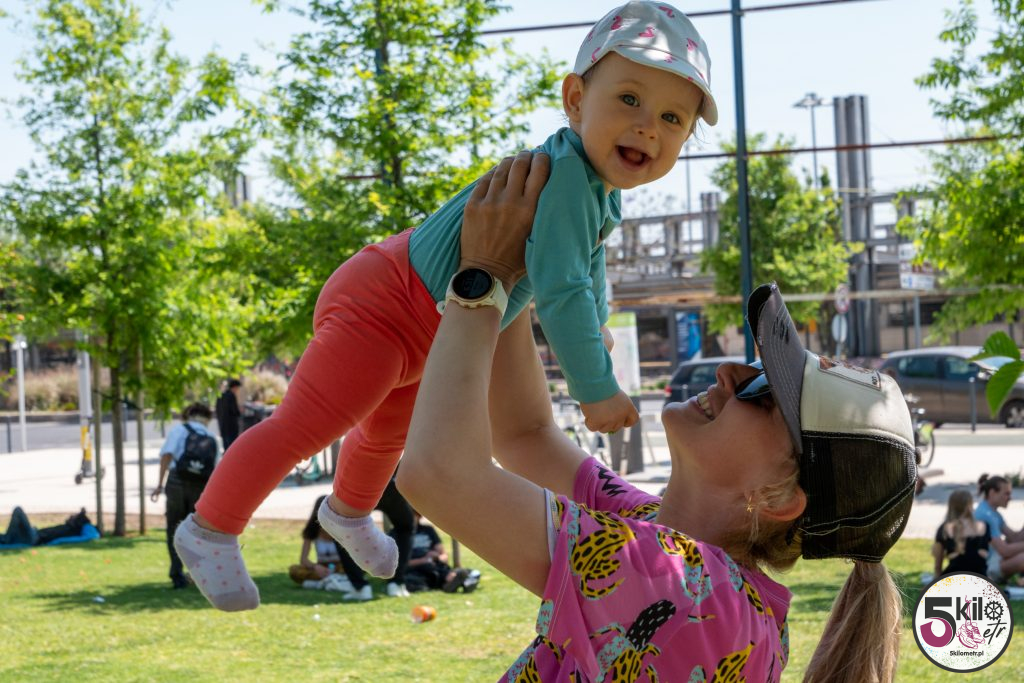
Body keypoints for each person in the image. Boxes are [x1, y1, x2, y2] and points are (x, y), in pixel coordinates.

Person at [175, 0, 715, 612]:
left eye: (672, 117)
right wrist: (596, 388)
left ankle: (348, 513)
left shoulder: (597, 192)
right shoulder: (567, 177)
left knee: (387, 432)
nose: (648, 127)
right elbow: (561, 288)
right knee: (307, 425)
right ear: (574, 99)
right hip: (385, 301)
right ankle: (210, 528)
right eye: (629, 99)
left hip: (424, 325)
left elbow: (587, 271)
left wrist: (596, 323)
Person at [396, 151, 919, 681]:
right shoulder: (664, 536)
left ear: (779, 498)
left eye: (764, 393)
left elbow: (438, 475)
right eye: (760, 366)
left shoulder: (694, 591)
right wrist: (525, 253)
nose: (730, 373)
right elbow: (525, 436)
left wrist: (482, 276)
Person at [151, 402, 219, 590]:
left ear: (187, 415)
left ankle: (177, 573)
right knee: (195, 531)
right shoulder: (211, 437)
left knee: (174, 528)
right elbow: (215, 470)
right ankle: (197, 573)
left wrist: (159, 484)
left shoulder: (179, 430)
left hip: (177, 483)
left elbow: (166, 456)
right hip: (200, 487)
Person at [289, 495, 373, 601]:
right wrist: (315, 567)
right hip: (322, 568)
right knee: (295, 571)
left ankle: (322, 583)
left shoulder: (342, 528)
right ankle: (332, 582)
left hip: (341, 567)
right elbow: (303, 559)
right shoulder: (312, 531)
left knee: (361, 567)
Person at [400, 511, 480, 594]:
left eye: (413, 515)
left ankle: (453, 579)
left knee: (443, 570)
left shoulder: (428, 530)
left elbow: (443, 555)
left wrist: (437, 557)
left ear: (418, 516)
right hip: (415, 568)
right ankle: (458, 581)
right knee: (414, 578)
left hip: (434, 564)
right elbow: (399, 563)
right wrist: (423, 560)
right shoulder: (399, 534)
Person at [974, 474, 1024, 585]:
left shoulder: (994, 513)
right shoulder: (985, 515)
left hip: (994, 559)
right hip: (985, 569)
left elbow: (1014, 538)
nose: (1010, 498)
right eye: (1006, 494)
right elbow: (1004, 550)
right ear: (992, 493)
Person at [932, 489, 989, 577]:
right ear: (970, 505)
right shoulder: (983, 526)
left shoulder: (944, 529)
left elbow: (937, 565)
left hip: (953, 577)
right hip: (979, 579)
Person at [0, 507, 94, 546]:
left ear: (76, 522)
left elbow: (82, 526)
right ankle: (6, 538)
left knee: (18, 510)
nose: (70, 516)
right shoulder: (67, 528)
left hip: (34, 538)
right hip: (34, 535)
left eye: (73, 517)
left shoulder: (71, 530)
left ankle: (6, 540)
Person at [215, 379, 243, 450]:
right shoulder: (231, 396)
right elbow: (234, 411)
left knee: (226, 448)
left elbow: (217, 411)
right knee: (233, 447)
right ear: (234, 387)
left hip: (223, 426)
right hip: (231, 427)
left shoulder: (220, 396)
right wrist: (239, 411)